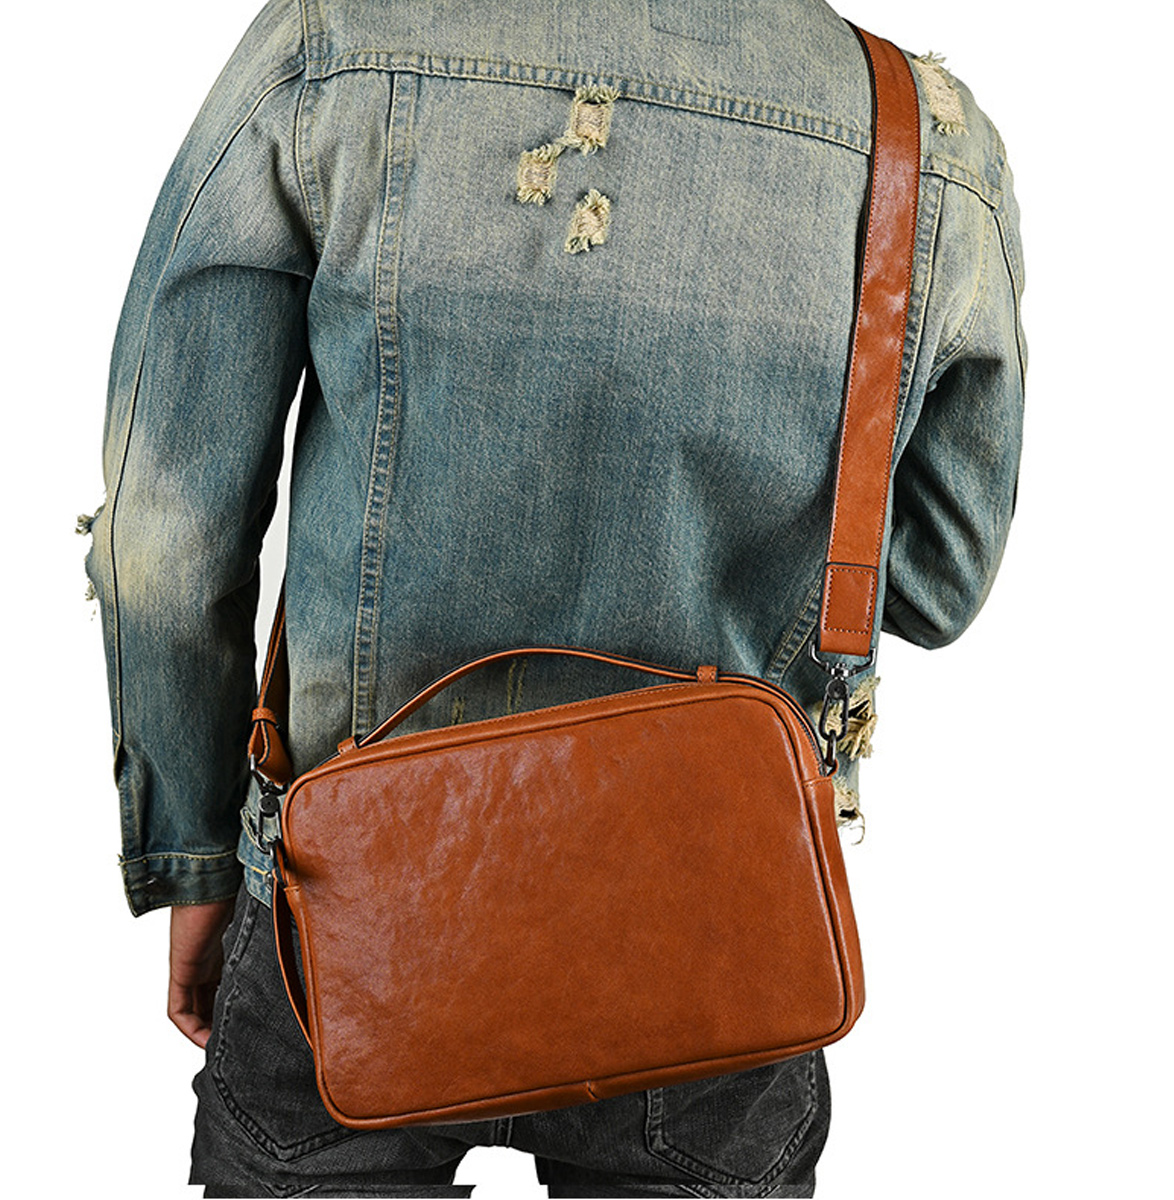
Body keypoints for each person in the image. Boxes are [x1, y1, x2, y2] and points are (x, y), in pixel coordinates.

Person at [82, 0, 1025, 1195]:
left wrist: (193, 855)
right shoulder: (922, 135)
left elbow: (164, 533)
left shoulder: (337, 41)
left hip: (347, 922)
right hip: (710, 933)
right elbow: (937, 581)